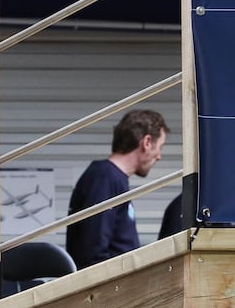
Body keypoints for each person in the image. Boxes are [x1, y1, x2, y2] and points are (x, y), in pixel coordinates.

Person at [64, 109, 168, 269]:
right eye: (160, 147)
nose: (159, 156)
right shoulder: (104, 178)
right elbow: (93, 251)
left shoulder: (113, 179)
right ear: (146, 142)